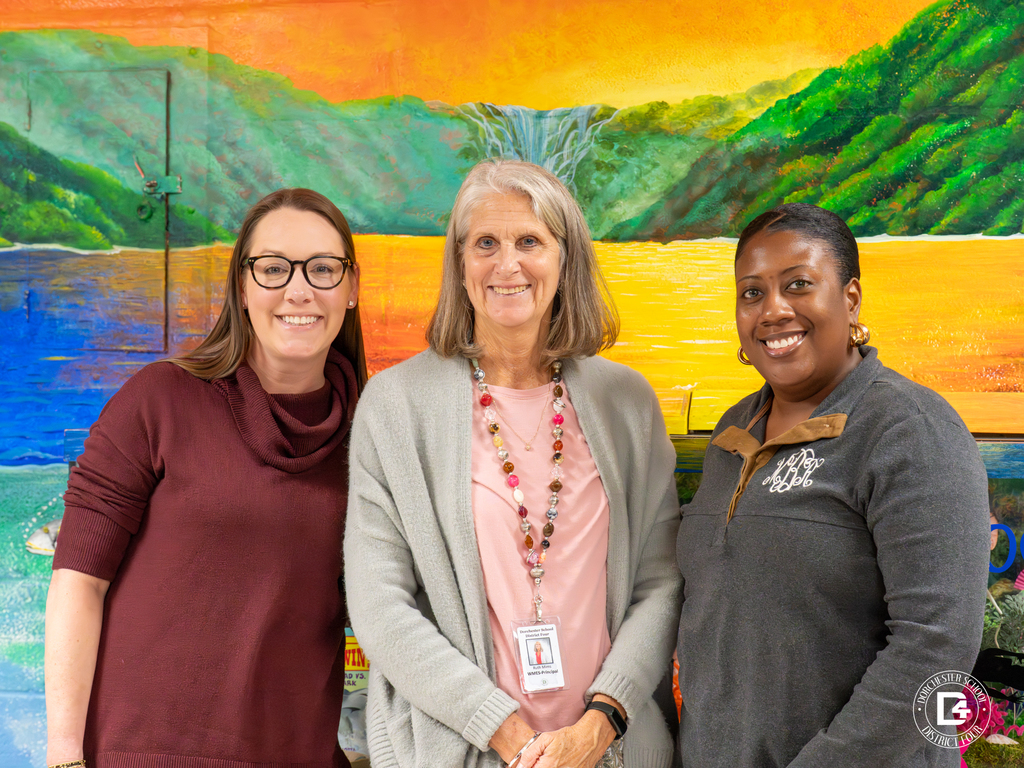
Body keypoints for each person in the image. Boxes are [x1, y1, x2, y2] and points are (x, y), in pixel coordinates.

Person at [344, 159, 682, 768]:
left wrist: (600, 727)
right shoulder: (395, 406)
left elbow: (660, 585)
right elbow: (379, 606)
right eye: (485, 244)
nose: (508, 264)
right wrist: (506, 735)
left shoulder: (626, 403)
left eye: (530, 241)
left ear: (565, 258)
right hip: (458, 750)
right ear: (460, 264)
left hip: (613, 751)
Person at [44, 188, 366, 768]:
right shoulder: (160, 400)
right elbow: (78, 580)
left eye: (323, 269)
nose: (299, 290)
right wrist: (65, 756)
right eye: (273, 269)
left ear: (350, 290)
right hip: (142, 754)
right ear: (242, 289)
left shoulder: (376, 436)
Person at [675, 203, 990, 767]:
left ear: (850, 299)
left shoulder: (910, 429)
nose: (772, 310)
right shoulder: (733, 429)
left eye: (798, 285)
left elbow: (938, 648)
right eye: (752, 293)